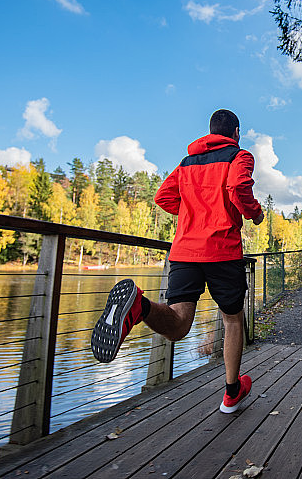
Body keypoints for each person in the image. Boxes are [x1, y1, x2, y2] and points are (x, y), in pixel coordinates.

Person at [91, 109, 264, 414]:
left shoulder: (187, 163)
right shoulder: (240, 156)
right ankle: (231, 392)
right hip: (222, 250)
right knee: (232, 319)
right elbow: (238, 188)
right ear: (236, 133)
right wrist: (255, 213)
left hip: (184, 251)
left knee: (179, 325)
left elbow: (163, 197)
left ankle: (140, 306)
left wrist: (192, 213)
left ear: (210, 131)